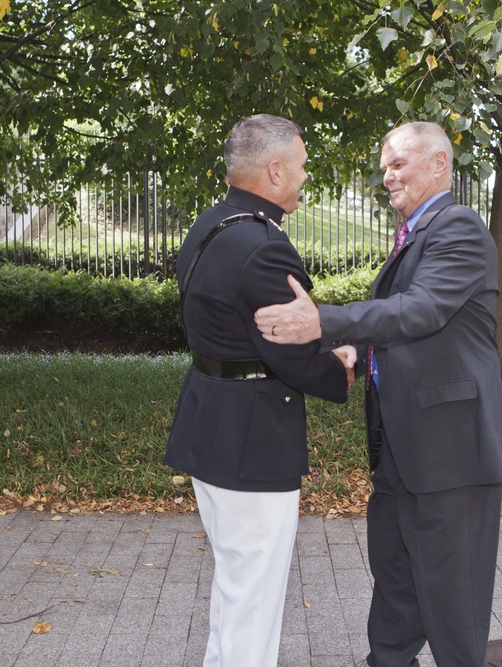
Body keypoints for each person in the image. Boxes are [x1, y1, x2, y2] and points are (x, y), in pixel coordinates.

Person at [254, 121, 502, 667]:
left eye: (398, 164)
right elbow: (403, 325)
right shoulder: (418, 232)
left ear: (440, 164)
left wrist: (324, 322)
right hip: (402, 448)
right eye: (384, 167)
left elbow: (420, 310)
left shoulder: (459, 227)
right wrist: (353, 348)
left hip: (452, 456)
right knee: (395, 588)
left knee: (453, 604)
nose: (387, 176)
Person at [164, 113, 356, 667]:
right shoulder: (262, 244)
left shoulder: (211, 224)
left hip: (211, 422)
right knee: (254, 597)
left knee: (235, 584)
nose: (303, 178)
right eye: (299, 167)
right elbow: (292, 350)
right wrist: (341, 365)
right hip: (252, 438)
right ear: (274, 171)